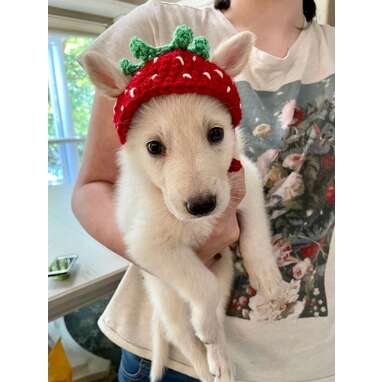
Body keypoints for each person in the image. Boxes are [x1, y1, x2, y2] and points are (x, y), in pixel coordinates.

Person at [72, 0, 335, 381]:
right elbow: (93, 186)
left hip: (321, 358)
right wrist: (174, 252)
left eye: (216, 134)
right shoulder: (156, 24)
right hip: (174, 356)